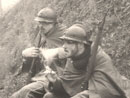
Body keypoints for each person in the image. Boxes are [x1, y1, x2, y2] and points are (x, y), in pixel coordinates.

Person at [43, 24, 130, 98]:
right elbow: (69, 85)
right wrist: (55, 81)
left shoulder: (99, 57)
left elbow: (104, 90)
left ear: (80, 44)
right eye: (64, 42)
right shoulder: (72, 58)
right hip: (85, 92)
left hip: (106, 94)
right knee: (49, 96)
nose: (64, 46)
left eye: (69, 42)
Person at [10, 7, 66, 98]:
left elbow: (72, 52)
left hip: (56, 77)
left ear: (54, 23)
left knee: (25, 93)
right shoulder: (42, 33)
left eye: (45, 23)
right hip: (41, 74)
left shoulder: (64, 35)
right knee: (15, 95)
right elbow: (37, 53)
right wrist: (25, 53)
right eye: (40, 22)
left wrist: (54, 52)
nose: (41, 26)